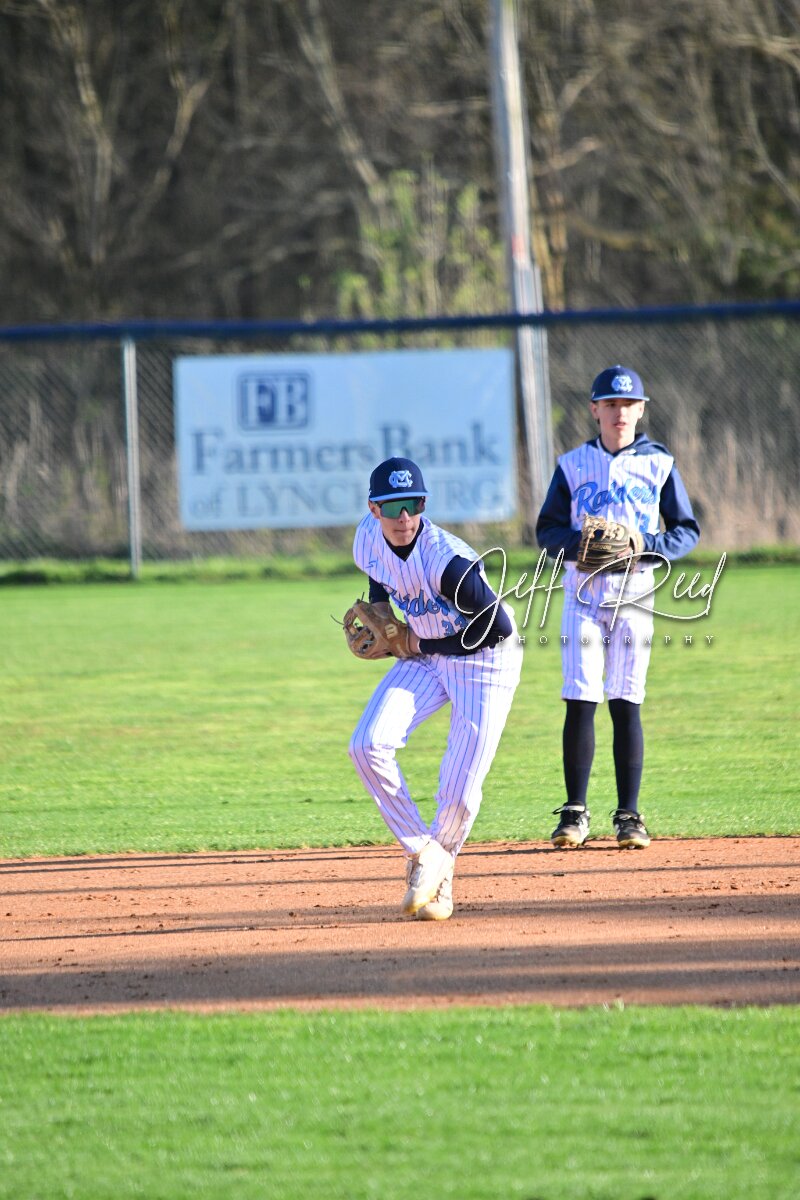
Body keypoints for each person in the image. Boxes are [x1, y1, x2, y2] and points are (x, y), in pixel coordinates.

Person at [348, 456, 522, 920]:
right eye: (392, 506)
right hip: (425, 655)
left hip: (484, 661)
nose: (404, 516)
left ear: (424, 505)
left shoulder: (447, 563)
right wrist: (383, 616)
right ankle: (424, 852)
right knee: (367, 744)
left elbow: (497, 627)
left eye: (414, 504)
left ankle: (440, 884)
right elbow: (380, 575)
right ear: (373, 509)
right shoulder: (366, 539)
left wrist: (415, 641)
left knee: (459, 792)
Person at [536, 365, 700, 849]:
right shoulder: (572, 464)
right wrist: (580, 544)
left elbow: (686, 531)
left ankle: (629, 814)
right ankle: (575, 811)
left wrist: (644, 543)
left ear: (641, 409)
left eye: (628, 404)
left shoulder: (660, 464)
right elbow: (547, 530)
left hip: (635, 593)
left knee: (626, 699)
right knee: (580, 697)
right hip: (583, 595)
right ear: (595, 410)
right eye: (610, 403)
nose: (619, 412)